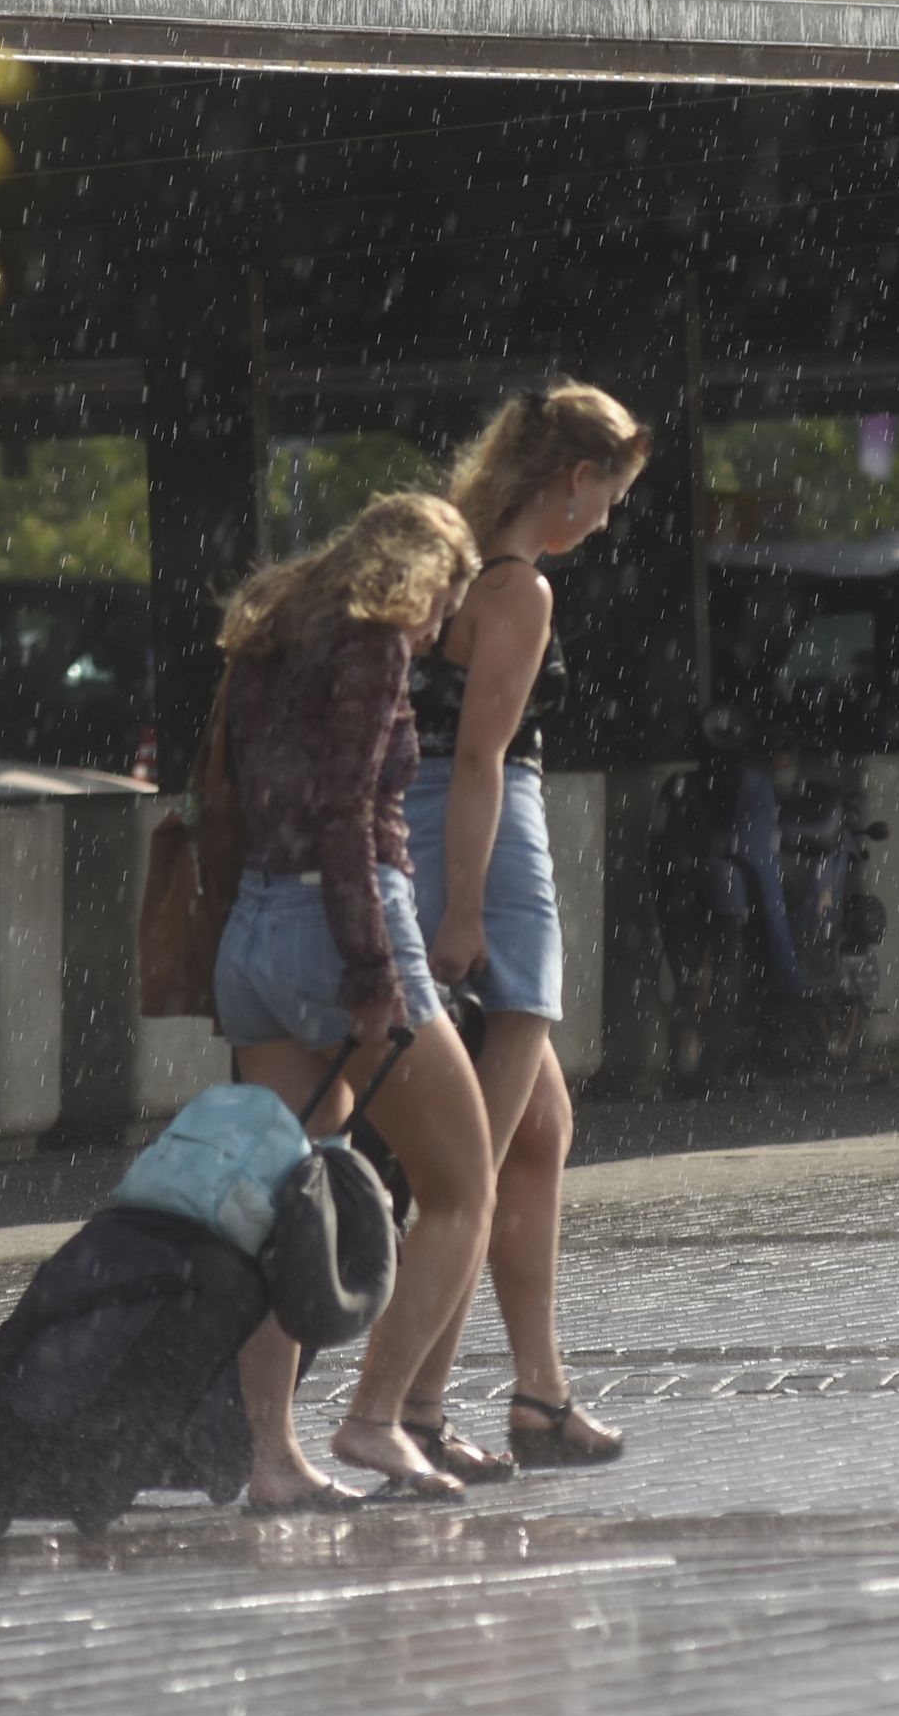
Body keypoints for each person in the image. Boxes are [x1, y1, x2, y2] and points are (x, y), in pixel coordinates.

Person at [212, 491, 495, 1511]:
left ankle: (270, 1455)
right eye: (446, 600)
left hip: (252, 930)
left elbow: (245, 792)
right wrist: (372, 973)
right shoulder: (372, 643)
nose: (440, 627)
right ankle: (376, 1415)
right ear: (422, 576)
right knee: (462, 1184)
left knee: (285, 1196)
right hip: (338, 928)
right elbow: (344, 811)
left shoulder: (273, 633)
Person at [397, 384, 653, 1477]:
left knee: (540, 1126)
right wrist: (466, 906)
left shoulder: (448, 564)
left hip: (427, 832)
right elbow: (479, 759)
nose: (608, 518)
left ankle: (539, 1390)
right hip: (492, 852)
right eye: (611, 495)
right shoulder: (518, 589)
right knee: (474, 1164)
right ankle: (411, 1406)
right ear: (572, 480)